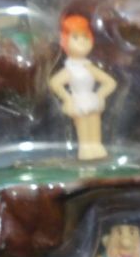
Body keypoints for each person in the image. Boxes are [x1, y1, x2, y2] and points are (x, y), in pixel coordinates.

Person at [48, 15, 117, 160]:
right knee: (84, 128)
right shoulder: (70, 69)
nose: (82, 41)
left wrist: (100, 95)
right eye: (76, 37)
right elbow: (55, 83)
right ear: (65, 41)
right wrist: (67, 98)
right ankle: (85, 151)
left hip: (91, 99)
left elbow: (110, 82)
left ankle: (97, 149)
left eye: (85, 37)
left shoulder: (89, 67)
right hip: (78, 100)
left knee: (95, 126)